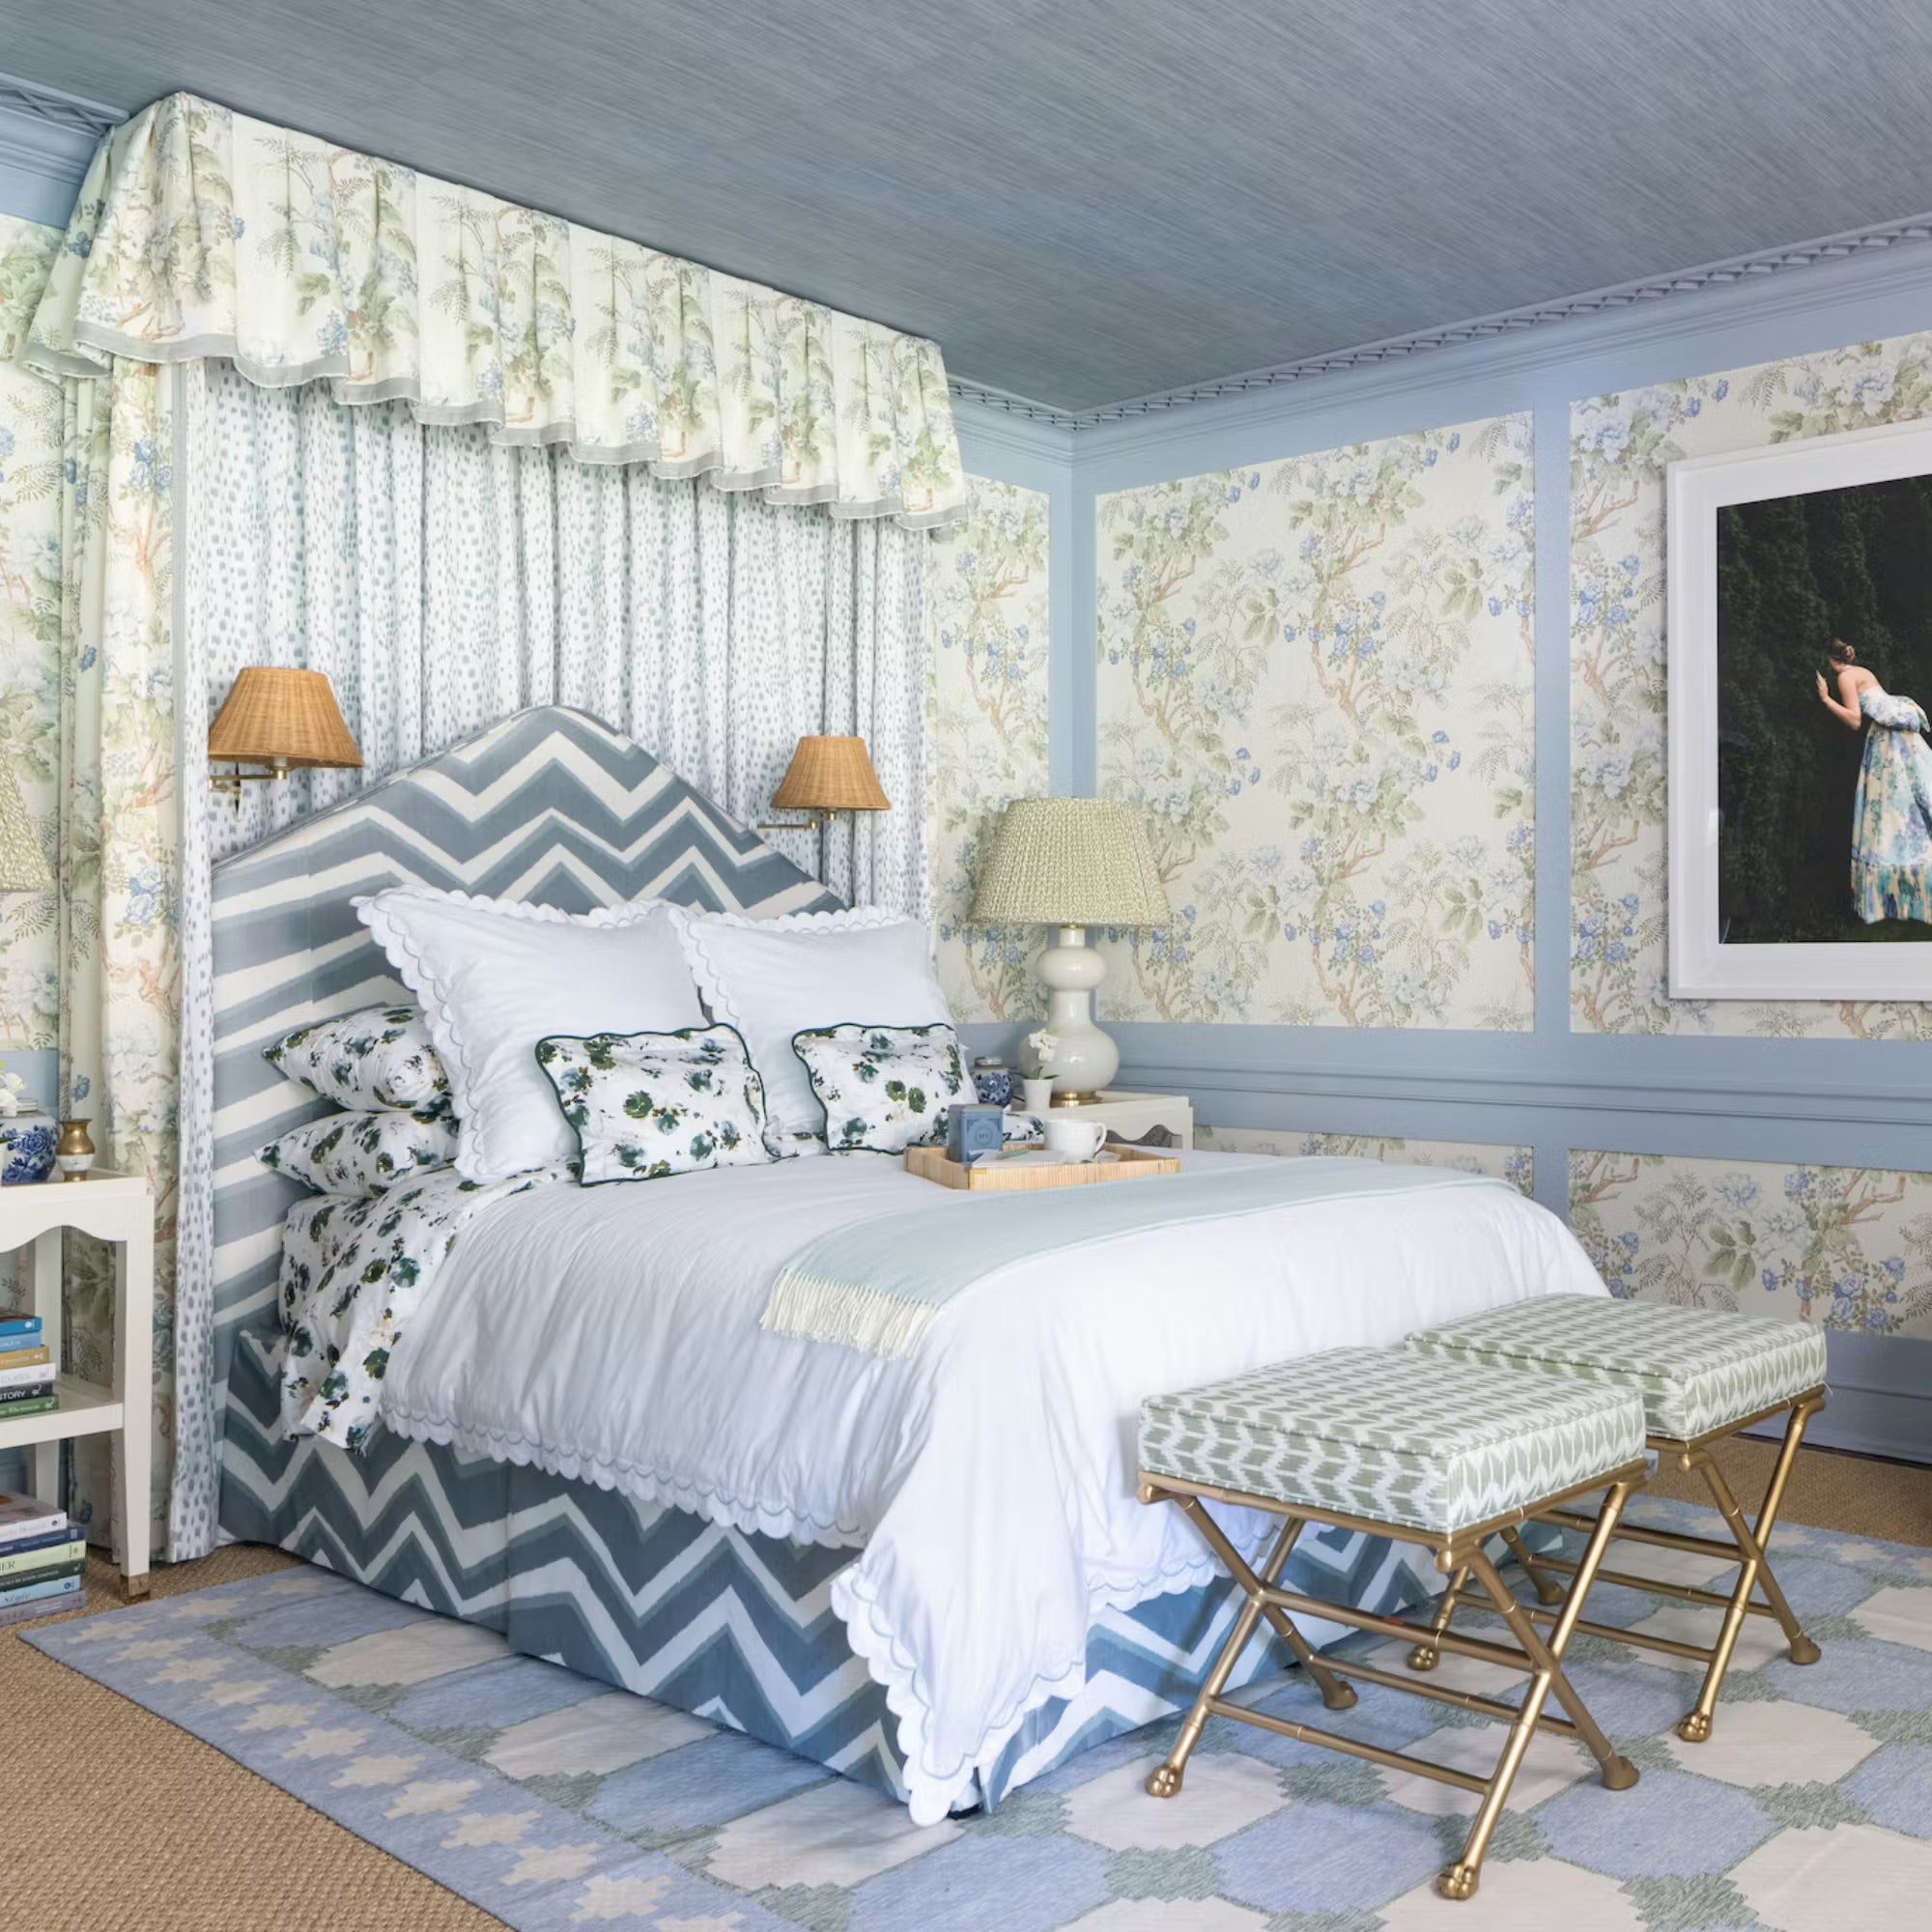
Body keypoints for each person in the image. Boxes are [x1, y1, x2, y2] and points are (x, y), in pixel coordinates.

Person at [1814, 638, 1932, 924]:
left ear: (1831, 661)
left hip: (1887, 745)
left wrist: (1826, 699)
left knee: (1889, 811)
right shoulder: (1863, 671)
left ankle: (1892, 895)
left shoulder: (1845, 677)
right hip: (1904, 741)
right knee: (1910, 804)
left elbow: (1855, 720)